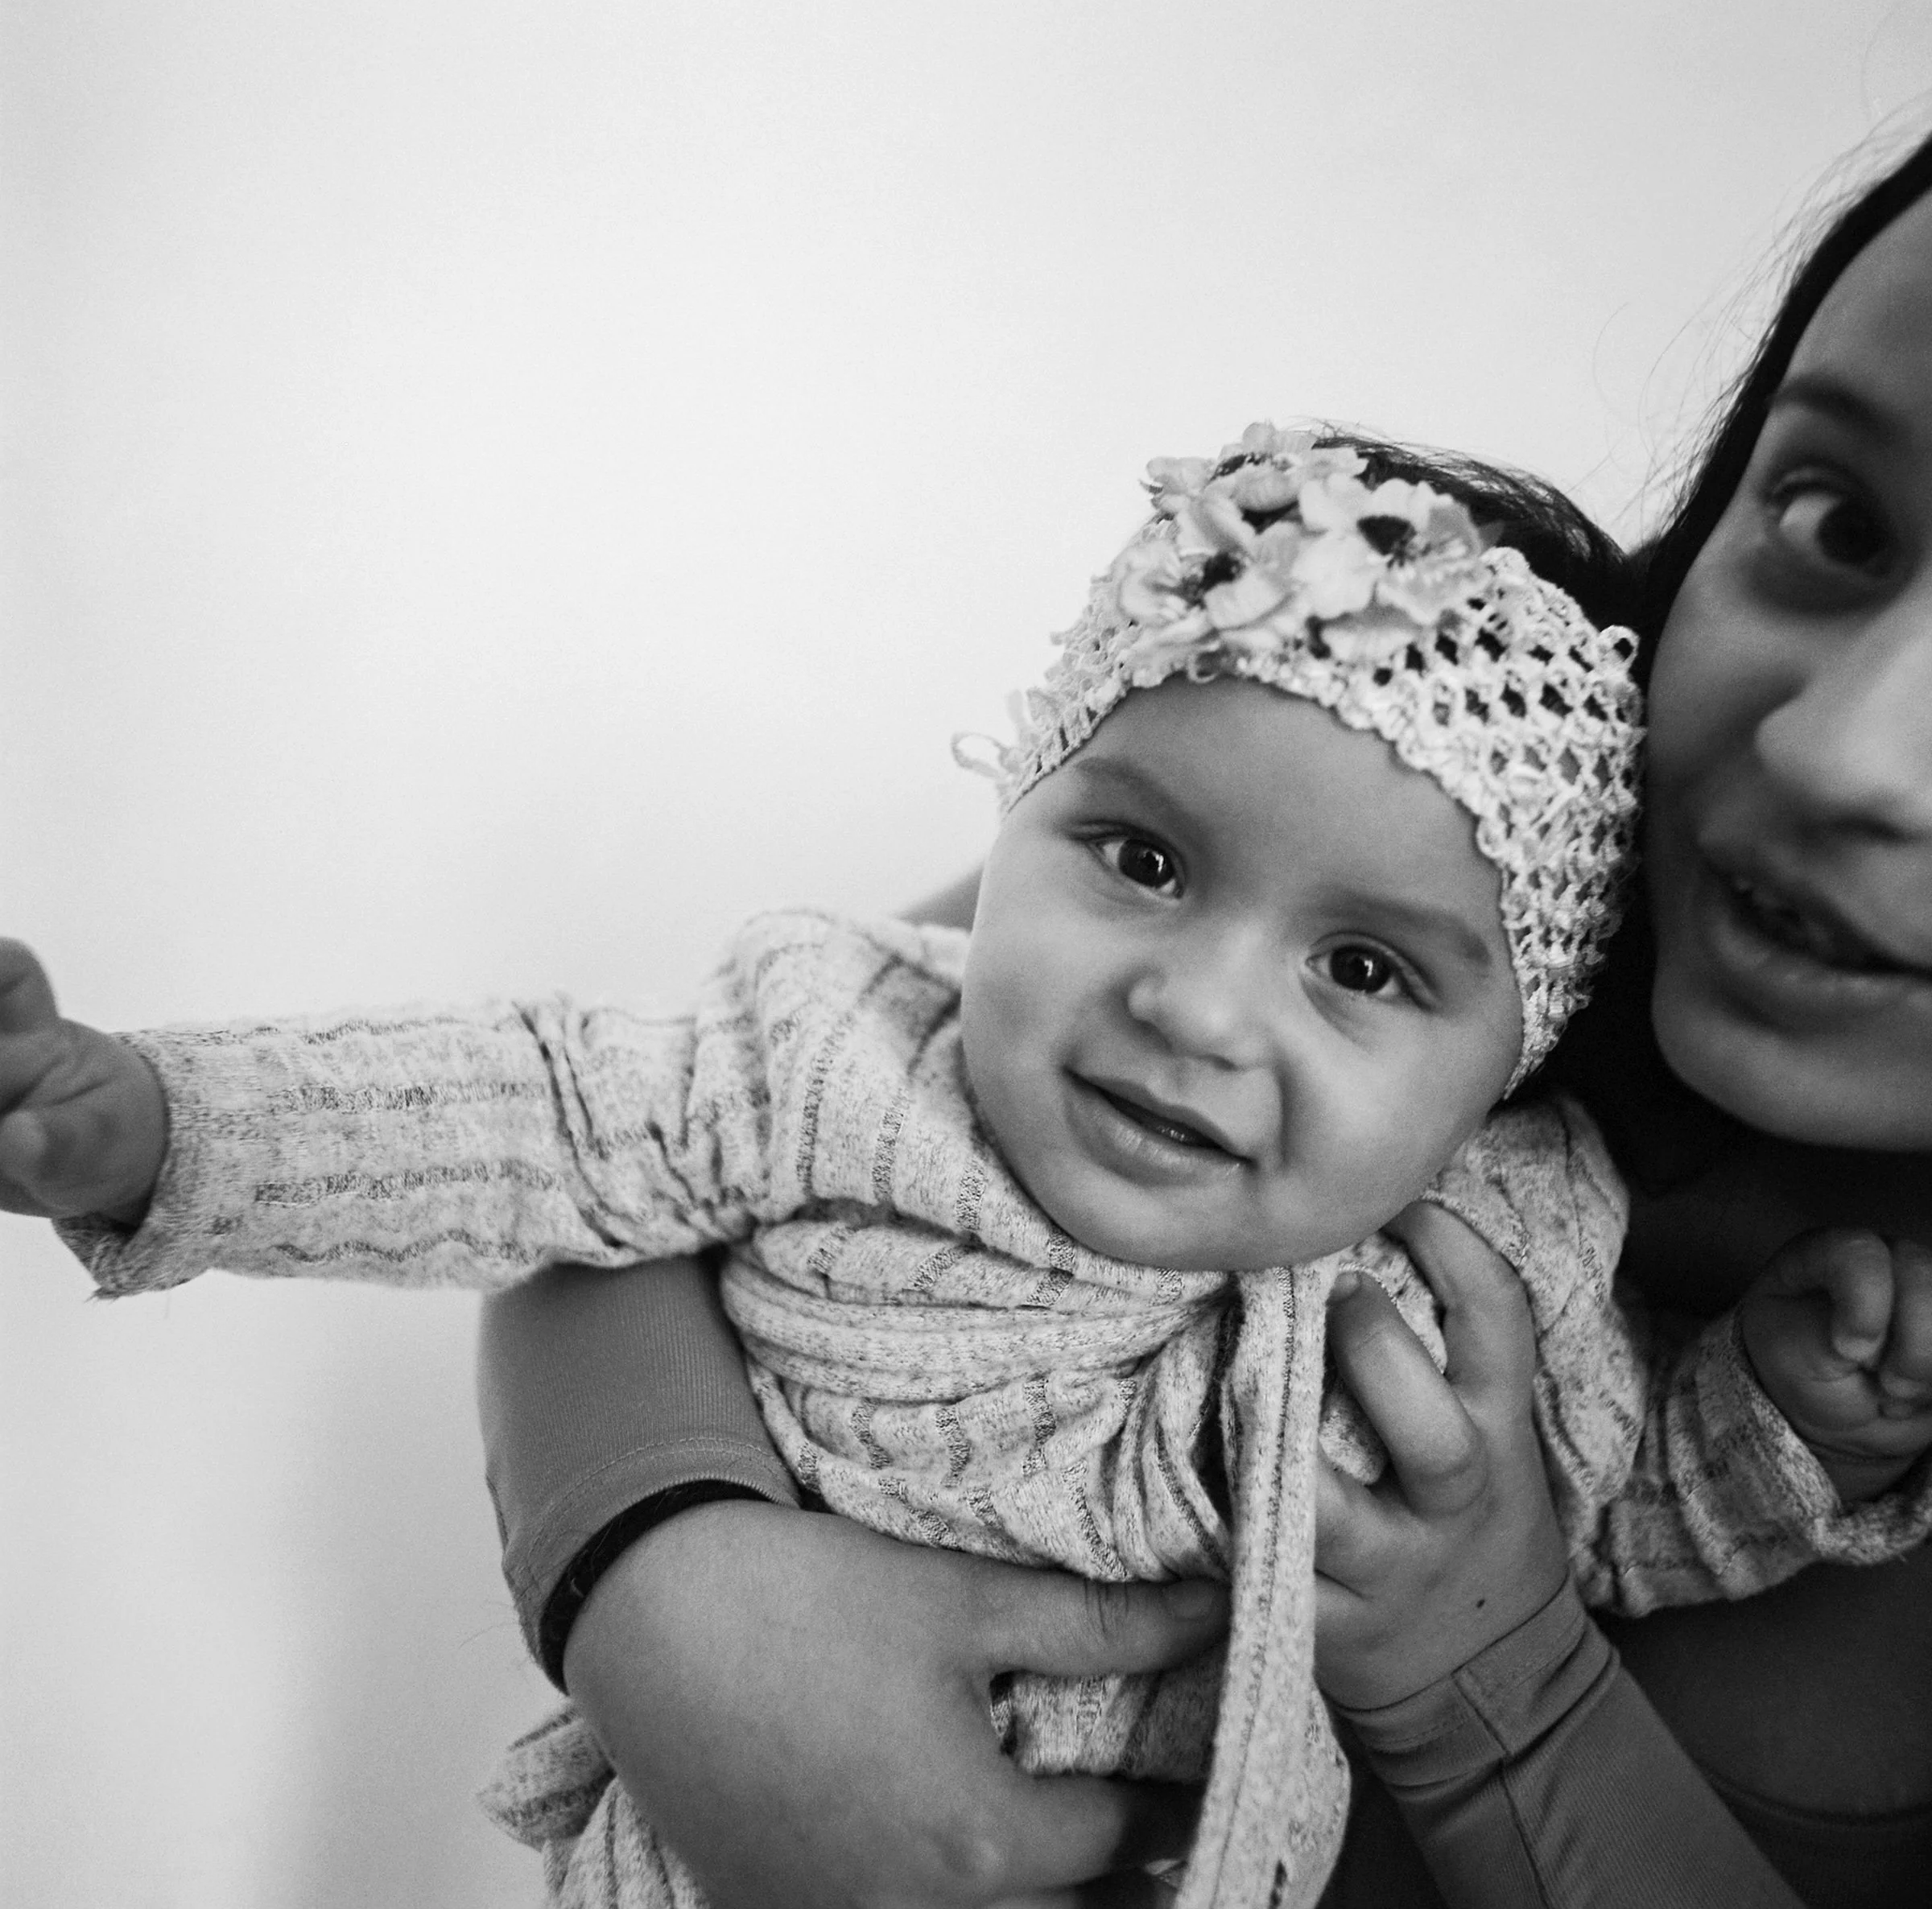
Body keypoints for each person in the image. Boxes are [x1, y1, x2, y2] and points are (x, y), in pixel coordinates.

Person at [3, 422, 1912, 1904]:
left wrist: (1772, 1429)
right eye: (1142, 863)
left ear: (1504, 1066)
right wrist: (153, 1125)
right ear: (1018, 808)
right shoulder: (853, 1047)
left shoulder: (1498, 1253)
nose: (1195, 1011)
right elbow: (529, 1111)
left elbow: (1605, 1515)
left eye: (1360, 970)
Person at [474, 128, 1932, 1909]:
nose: (1837, 749)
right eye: (1840, 523)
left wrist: (1502, 1686)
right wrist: (665, 1578)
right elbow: (677, 1122)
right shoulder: (1492, 784)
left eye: (1369, 977)